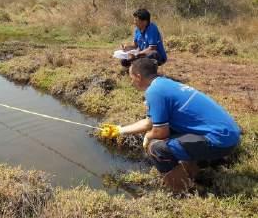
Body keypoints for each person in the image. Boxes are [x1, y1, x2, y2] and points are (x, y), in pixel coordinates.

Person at [100, 58, 241, 192]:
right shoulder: (163, 84)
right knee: (170, 135)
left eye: (131, 78)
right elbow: (150, 122)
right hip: (228, 134)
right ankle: (193, 173)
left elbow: (160, 132)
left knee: (157, 149)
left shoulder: (154, 91)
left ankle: (183, 192)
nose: (131, 82)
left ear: (138, 76)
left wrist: (148, 138)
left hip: (219, 140)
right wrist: (119, 130)